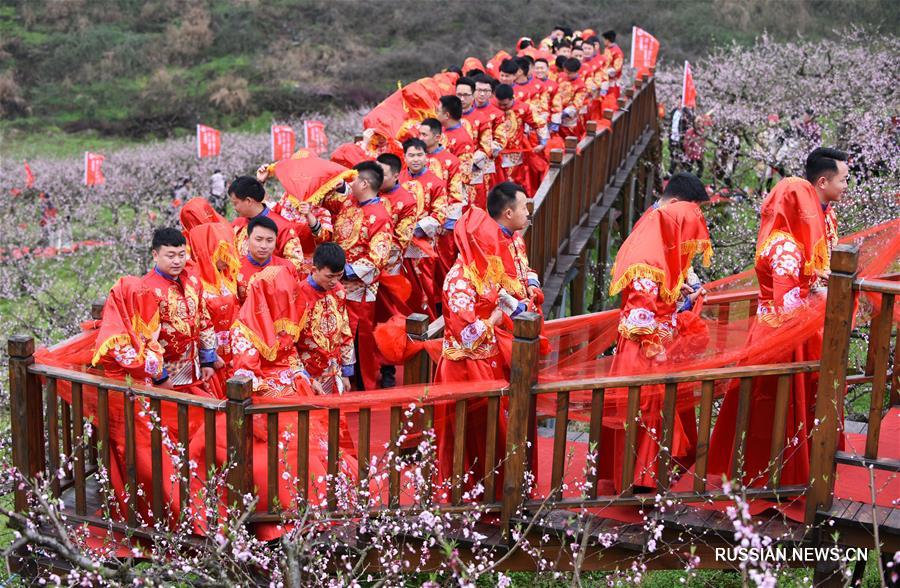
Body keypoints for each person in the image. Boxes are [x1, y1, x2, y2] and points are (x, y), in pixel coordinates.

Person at [708, 148, 849, 488]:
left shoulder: (799, 238)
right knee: (775, 406)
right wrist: (819, 294)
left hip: (796, 332)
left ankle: (798, 467)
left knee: (797, 402)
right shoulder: (784, 247)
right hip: (782, 336)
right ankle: (773, 477)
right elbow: (788, 304)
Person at [603, 173, 712, 492]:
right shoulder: (651, 234)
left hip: (659, 335)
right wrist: (659, 339)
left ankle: (653, 477)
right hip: (644, 344)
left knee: (660, 412)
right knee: (646, 411)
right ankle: (641, 483)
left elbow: (673, 271)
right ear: (677, 205)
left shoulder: (661, 224)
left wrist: (685, 288)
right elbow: (641, 310)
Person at [434, 181, 544, 498]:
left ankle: (497, 489)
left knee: (496, 429)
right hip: (464, 366)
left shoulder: (484, 271)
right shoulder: (459, 279)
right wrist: (494, 319)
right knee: (472, 433)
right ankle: (470, 493)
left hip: (490, 358)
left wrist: (514, 306)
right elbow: (466, 334)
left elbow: (501, 296)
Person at [333, 161, 393, 390]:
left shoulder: (380, 216)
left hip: (358, 287)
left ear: (364, 183)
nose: (351, 184)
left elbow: (378, 257)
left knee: (360, 337)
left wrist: (345, 271)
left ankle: (363, 385)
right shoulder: (350, 203)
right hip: (337, 282)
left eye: (354, 180)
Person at [140, 228, 218, 395]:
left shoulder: (193, 281)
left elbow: (204, 320)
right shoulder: (146, 288)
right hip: (165, 375)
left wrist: (207, 361)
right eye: (170, 256)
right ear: (155, 255)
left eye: (181, 255)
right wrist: (159, 376)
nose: (177, 261)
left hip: (196, 369)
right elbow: (144, 338)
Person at [184, 222, 240, 398]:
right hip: (209, 353)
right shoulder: (193, 282)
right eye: (223, 253)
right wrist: (209, 355)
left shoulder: (227, 277)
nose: (228, 258)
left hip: (233, 350)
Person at [297, 243, 355, 395]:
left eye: (339, 275)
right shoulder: (298, 294)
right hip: (309, 372)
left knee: (335, 415)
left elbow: (345, 331)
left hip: (334, 370)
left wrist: (347, 372)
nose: (335, 281)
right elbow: (289, 343)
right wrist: (304, 376)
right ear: (315, 270)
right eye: (330, 276)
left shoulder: (339, 291)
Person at [398, 138, 448, 319]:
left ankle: (428, 326)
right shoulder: (398, 178)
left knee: (424, 288)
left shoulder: (436, 183)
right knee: (402, 287)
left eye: (419, 155)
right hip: (400, 245)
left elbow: (440, 213)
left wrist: (417, 228)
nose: (416, 159)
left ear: (426, 157)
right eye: (411, 155)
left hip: (422, 244)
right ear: (404, 157)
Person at [229, 176, 305, 274]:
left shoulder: (283, 227)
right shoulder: (237, 224)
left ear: (248, 201)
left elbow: (296, 264)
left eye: (235, 203)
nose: (234, 208)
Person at [494, 83, 550, 197]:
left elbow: (538, 123)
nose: (502, 107)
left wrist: (542, 143)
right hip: (495, 154)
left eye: (505, 104)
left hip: (514, 153)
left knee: (515, 183)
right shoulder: (492, 107)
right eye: (500, 104)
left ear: (512, 98)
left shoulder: (523, 108)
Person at [236, 215, 299, 304]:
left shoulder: (287, 267)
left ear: (275, 241)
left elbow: (295, 301)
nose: (264, 246)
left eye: (269, 240)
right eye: (258, 239)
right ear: (248, 239)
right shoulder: (236, 268)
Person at [458, 76, 495, 208]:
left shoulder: (482, 119)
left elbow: (486, 148)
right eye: (459, 95)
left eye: (466, 95)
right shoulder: (448, 118)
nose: (462, 99)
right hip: (452, 174)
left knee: (476, 209)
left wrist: (470, 164)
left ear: (473, 95)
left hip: (474, 172)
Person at [549, 58, 588, 140]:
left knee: (569, 140)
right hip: (555, 112)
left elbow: (577, 104)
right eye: (565, 71)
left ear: (576, 71)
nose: (566, 74)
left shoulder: (581, 86)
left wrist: (563, 113)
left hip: (568, 118)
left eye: (569, 73)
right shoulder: (560, 76)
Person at [601, 30, 624, 101]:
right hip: (604, 78)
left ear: (607, 40)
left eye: (604, 40)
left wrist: (605, 72)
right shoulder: (607, 49)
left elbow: (617, 68)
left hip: (612, 81)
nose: (603, 41)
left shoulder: (618, 52)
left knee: (611, 101)